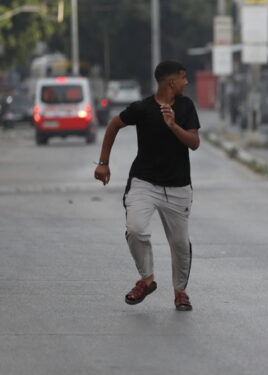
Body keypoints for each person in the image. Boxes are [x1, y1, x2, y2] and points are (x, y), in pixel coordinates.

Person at [94, 61, 201, 311]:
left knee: (180, 243)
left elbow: (194, 143)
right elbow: (113, 125)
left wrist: (173, 126)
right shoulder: (142, 108)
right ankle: (146, 279)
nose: (187, 83)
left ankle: (180, 291)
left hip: (178, 186)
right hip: (144, 182)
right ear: (171, 82)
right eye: (183, 78)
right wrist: (103, 163)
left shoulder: (186, 107)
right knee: (136, 229)